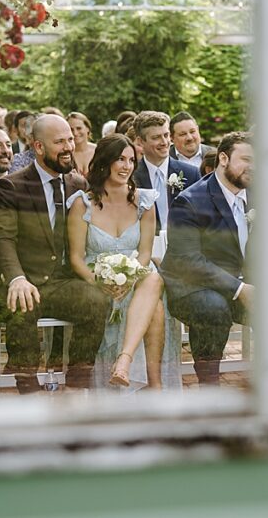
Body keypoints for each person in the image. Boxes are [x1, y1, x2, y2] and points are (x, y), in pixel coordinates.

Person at [162, 132, 268, 386]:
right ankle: (210, 386)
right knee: (214, 307)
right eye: (246, 159)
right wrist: (239, 289)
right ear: (223, 158)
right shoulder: (189, 201)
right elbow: (188, 261)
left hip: (246, 284)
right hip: (195, 287)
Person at [0, 114, 111, 393]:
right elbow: (3, 238)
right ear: (39, 147)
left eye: (70, 138)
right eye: (60, 141)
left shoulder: (78, 184)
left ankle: (77, 386)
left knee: (96, 301)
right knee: (22, 305)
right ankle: (28, 388)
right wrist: (17, 278)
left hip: (60, 283)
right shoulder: (11, 186)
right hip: (24, 279)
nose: (69, 146)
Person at [66, 135, 182, 391]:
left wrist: (128, 277)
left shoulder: (145, 202)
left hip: (136, 273)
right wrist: (99, 281)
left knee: (152, 277)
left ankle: (125, 362)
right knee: (156, 307)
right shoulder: (81, 203)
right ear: (105, 162)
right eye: (120, 159)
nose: (127, 166)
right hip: (96, 278)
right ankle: (154, 384)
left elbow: (144, 253)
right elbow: (76, 258)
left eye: (131, 160)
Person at [132, 111, 200, 241]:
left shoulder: (191, 174)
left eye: (166, 135)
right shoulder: (132, 177)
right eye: (156, 137)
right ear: (141, 141)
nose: (164, 142)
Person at [67, 111, 98, 177]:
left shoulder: (99, 151)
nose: (75, 133)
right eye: (71, 129)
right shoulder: (65, 154)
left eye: (79, 128)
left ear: (88, 129)